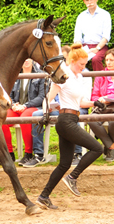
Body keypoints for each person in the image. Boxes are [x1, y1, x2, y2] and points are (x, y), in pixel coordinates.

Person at [36, 44, 104, 209]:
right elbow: (48, 98)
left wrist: (94, 102)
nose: (83, 67)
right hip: (65, 120)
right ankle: (72, 177)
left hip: (72, 119)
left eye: (85, 64)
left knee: (64, 164)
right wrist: (45, 114)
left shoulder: (79, 78)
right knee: (98, 148)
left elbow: (79, 102)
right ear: (72, 61)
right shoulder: (63, 76)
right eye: (81, 64)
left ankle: (44, 196)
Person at [2, 58, 46, 166]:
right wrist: (13, 105)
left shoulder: (41, 75)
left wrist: (25, 105)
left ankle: (28, 153)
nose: (25, 61)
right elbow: (9, 95)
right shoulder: (14, 75)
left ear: (33, 60)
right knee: (2, 117)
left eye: (28, 58)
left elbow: (41, 97)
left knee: (25, 117)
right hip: (17, 107)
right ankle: (9, 153)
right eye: (23, 58)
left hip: (33, 107)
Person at [89, 48, 114, 161]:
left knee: (113, 121)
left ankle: (110, 150)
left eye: (111, 60)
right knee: (91, 119)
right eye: (107, 60)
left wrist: (110, 99)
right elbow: (93, 96)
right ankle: (111, 147)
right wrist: (100, 99)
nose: (108, 62)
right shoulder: (100, 75)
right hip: (103, 106)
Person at [74, 0, 112, 71]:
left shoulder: (105, 15)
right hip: (85, 46)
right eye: (87, 0)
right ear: (84, 2)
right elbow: (77, 36)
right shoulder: (81, 16)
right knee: (76, 59)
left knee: (96, 59)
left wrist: (97, 48)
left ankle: (100, 80)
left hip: (100, 46)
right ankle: (79, 80)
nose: (89, 2)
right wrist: (81, 48)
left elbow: (106, 36)